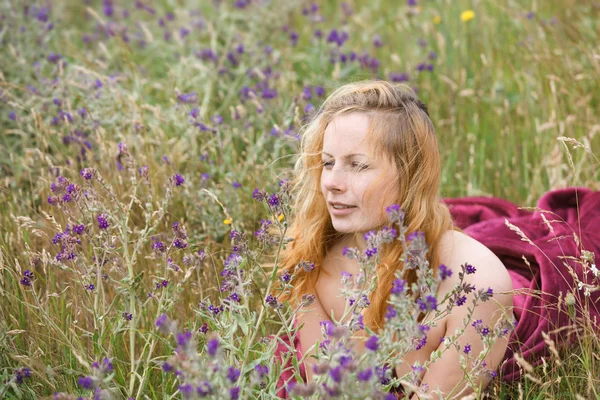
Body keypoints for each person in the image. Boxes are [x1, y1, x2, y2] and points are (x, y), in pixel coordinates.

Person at [274, 80, 515, 398]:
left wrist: (406, 339)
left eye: (358, 165)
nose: (331, 182)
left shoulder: (478, 281)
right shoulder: (311, 257)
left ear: (411, 173)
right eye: (328, 162)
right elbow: (328, 389)